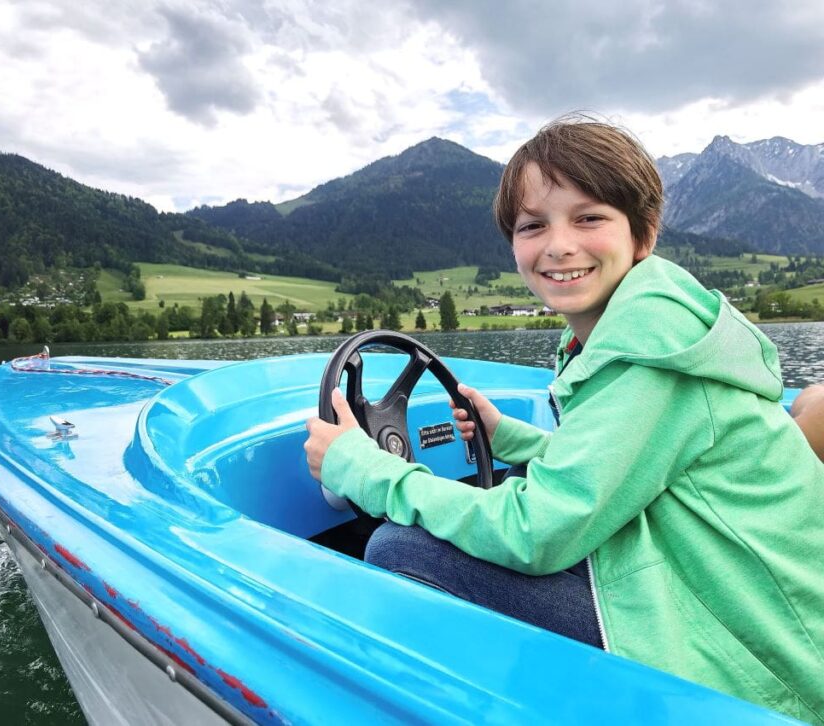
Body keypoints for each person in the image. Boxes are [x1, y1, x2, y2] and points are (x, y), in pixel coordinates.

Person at [304, 117, 824, 722]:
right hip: (708, 588)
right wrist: (512, 439)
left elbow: (538, 533)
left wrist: (362, 468)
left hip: (757, 669)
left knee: (401, 549)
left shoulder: (651, 357)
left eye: (589, 218)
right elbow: (621, 467)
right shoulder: (636, 334)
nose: (558, 245)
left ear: (643, 234)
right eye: (533, 226)